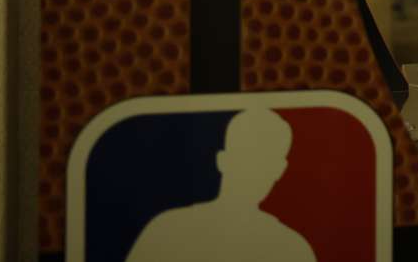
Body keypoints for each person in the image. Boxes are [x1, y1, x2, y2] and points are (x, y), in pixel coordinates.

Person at [127, 108, 315, 262]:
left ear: (279, 170)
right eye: (246, 158)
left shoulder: (291, 248)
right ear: (223, 161)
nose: (255, 171)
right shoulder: (169, 229)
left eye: (266, 162)